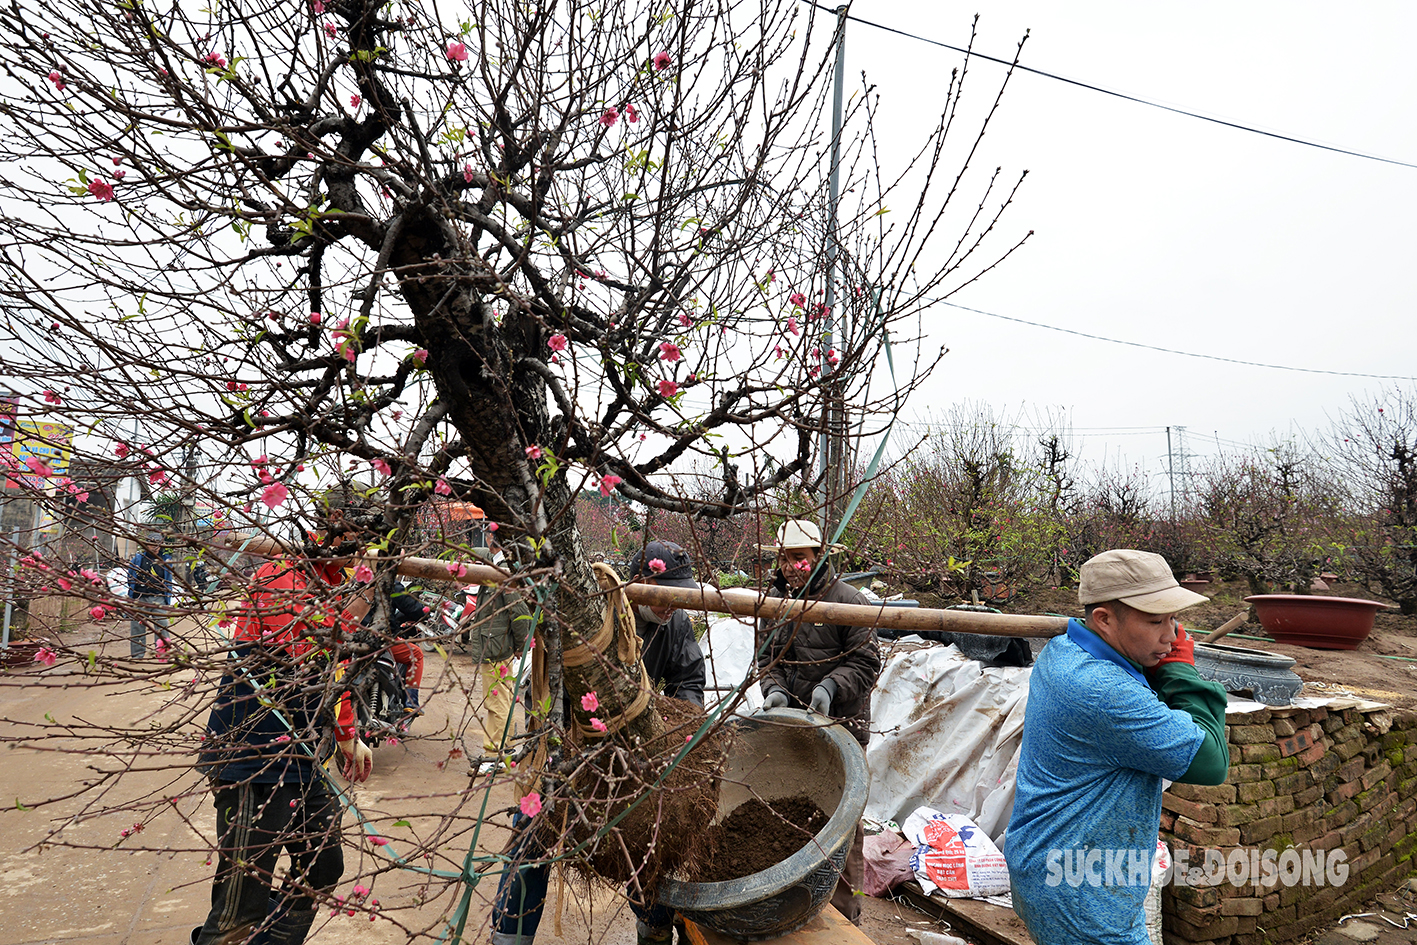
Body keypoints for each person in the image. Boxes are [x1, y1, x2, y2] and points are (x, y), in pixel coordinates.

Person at [1004, 549, 1229, 945]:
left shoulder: (1065, 649)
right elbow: (1210, 762)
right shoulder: (1103, 692)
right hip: (1081, 893)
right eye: (1156, 620)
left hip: (1050, 862)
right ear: (1104, 619)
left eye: (1175, 619)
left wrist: (1153, 650)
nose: (1172, 635)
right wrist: (1180, 670)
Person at [489, 541, 709, 945]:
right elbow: (547, 692)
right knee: (531, 832)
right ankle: (508, 937)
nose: (672, 604)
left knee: (657, 835)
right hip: (572, 745)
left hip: (637, 748)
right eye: (665, 592)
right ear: (640, 582)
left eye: (680, 593)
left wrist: (678, 722)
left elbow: (689, 679)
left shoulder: (675, 624)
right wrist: (570, 748)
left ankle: (654, 929)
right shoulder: (591, 613)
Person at [192, 551, 375, 945]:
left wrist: (347, 732)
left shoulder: (333, 582)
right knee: (239, 909)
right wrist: (361, 601)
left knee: (322, 868)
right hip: (253, 758)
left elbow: (331, 672)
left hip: (303, 758)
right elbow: (308, 649)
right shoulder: (281, 574)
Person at [755, 519, 880, 925]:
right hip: (793, 726)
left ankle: (848, 913)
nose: (792, 566)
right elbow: (765, 660)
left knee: (843, 825)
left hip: (840, 727)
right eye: (785, 558)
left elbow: (866, 661)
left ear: (818, 555)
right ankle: (793, 907)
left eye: (800, 558)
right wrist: (772, 689)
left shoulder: (847, 601)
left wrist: (829, 687)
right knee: (790, 812)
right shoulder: (773, 601)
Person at [466, 545, 533, 774]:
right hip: (496, 645)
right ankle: (502, 752)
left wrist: (520, 646)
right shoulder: (496, 563)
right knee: (501, 700)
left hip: (496, 648)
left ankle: (494, 756)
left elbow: (520, 614)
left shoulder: (503, 571)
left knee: (497, 703)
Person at [126, 535, 173, 657]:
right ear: (146, 545)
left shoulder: (165, 560)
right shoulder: (137, 559)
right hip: (140, 597)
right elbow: (130, 577)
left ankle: (164, 654)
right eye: (152, 544)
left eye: (158, 544)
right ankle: (137, 655)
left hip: (158, 598)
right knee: (137, 627)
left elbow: (169, 580)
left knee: (162, 626)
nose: (155, 547)